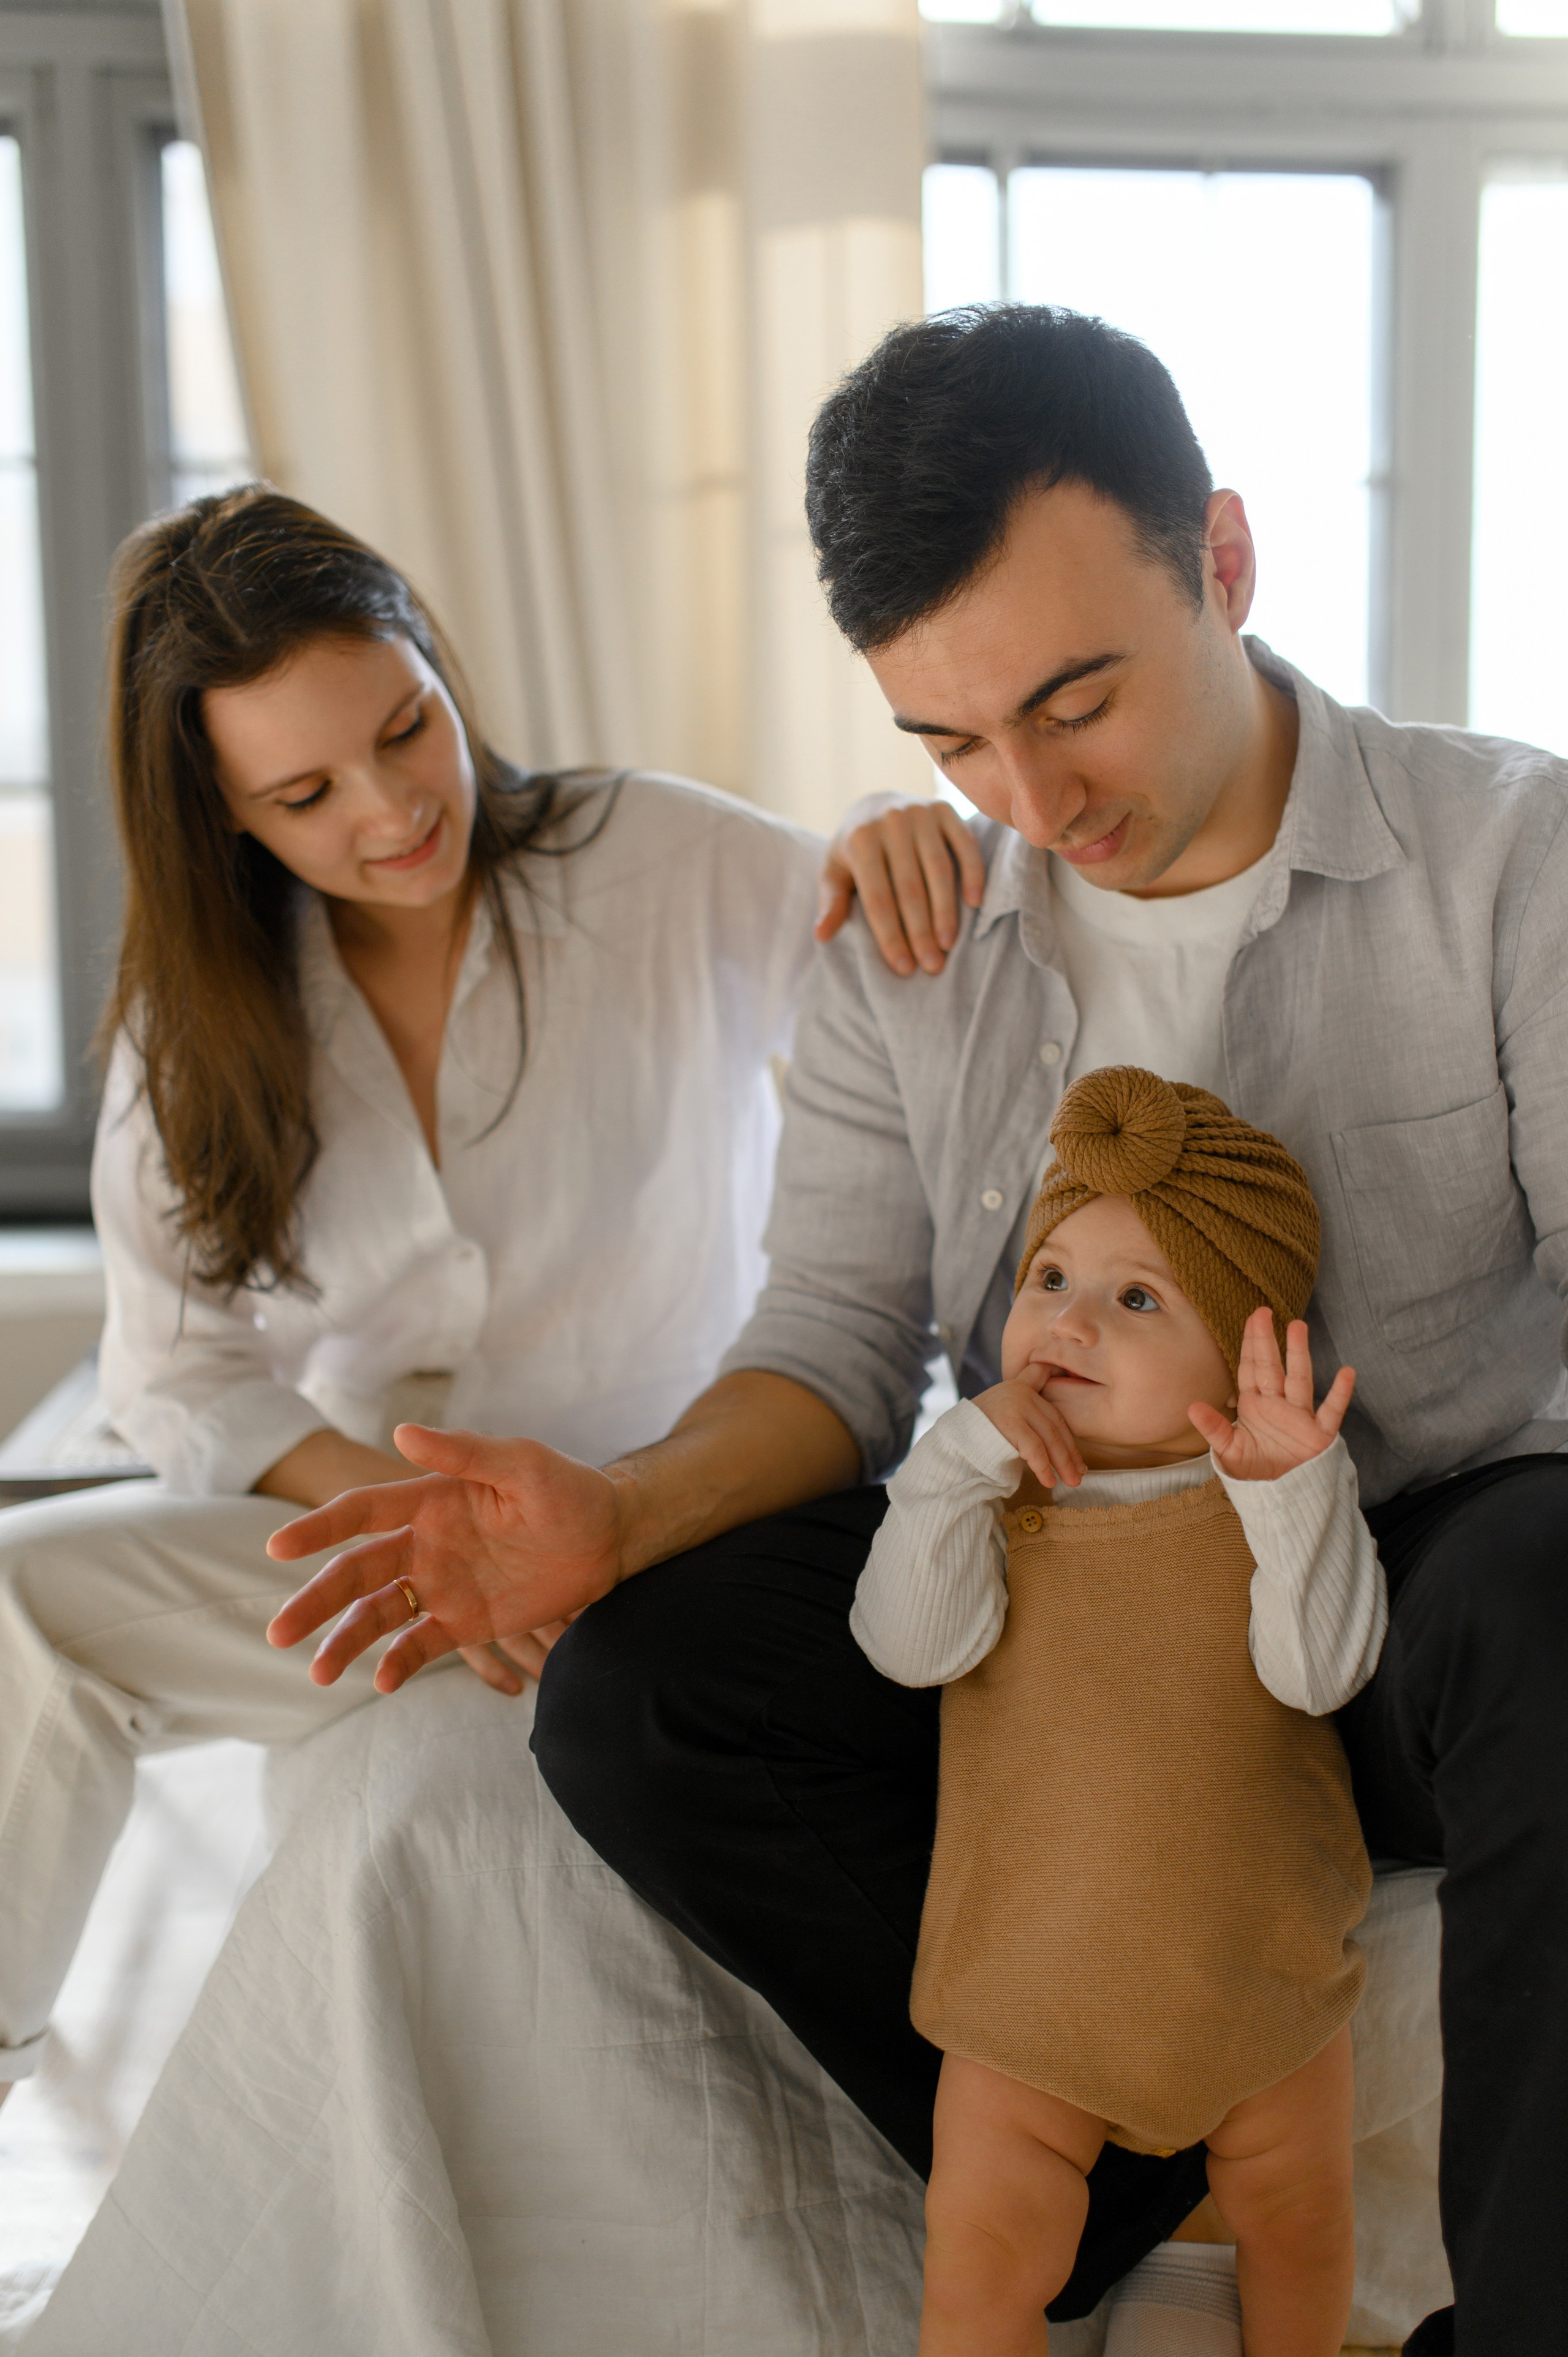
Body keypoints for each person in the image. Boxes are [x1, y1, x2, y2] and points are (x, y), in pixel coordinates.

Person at [266, 304, 1568, 2353]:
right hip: (1045, 1622)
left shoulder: (1510, 858)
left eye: (1075, 701)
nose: (1031, 797)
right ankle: (1119, 2148)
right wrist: (617, 1505)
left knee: (1558, 1572)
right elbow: (831, 1349)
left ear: (1223, 562)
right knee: (641, 1679)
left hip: (1391, 1609)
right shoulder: (910, 937)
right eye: (952, 741)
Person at [0, 482, 934, 2116]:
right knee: (20, 1600)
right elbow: (178, 1369)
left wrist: (891, 813)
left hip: (667, 1546)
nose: (390, 807)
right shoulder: (202, 1018)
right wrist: (440, 1543)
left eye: (404, 726)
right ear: (224, 815)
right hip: (389, 1568)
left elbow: (893, 956)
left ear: (433, 659)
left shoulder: (655, 858)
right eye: (304, 791)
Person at [856, 1065, 1378, 2356]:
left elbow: (1321, 1670)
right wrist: (952, 1466)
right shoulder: (994, 1506)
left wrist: (1294, 1487)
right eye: (1048, 1280)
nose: (1066, 1322)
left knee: (1300, 2229)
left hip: (1258, 1975)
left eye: (1133, 1298)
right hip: (1031, 1997)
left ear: (1243, 1347)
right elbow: (905, 1649)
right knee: (979, 2269)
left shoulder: (1262, 1506)